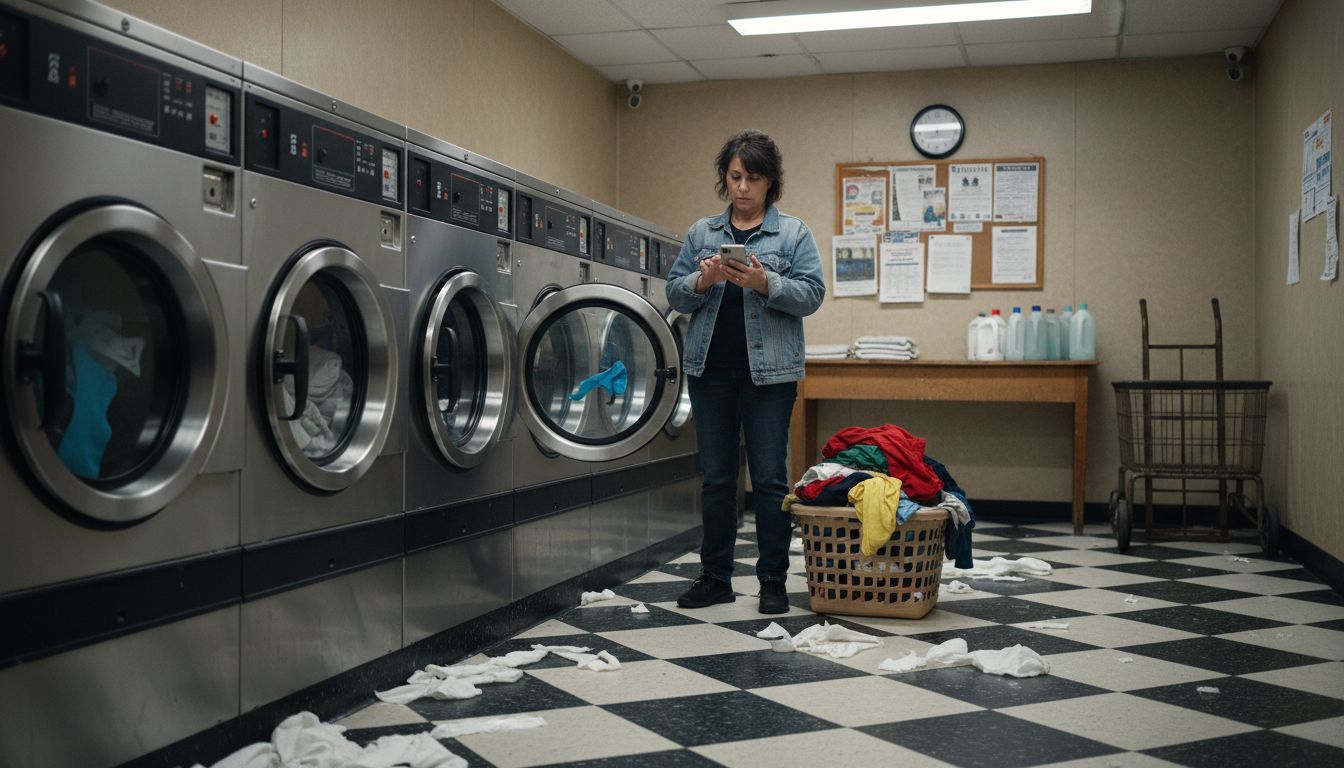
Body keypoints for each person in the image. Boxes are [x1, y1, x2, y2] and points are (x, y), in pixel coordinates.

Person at [665, 129, 825, 614]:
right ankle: (715, 578)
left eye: (752, 178)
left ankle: (772, 582)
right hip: (709, 372)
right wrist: (703, 279)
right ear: (725, 178)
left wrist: (764, 282)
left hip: (770, 377)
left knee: (770, 480)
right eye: (735, 177)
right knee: (717, 480)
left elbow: (812, 294)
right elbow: (673, 292)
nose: (742, 187)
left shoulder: (793, 234)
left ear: (770, 181)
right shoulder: (702, 232)